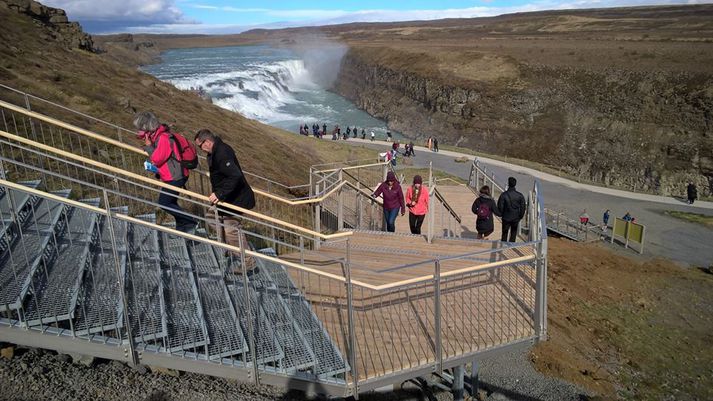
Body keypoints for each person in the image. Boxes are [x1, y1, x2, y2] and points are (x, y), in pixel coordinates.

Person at [194, 129, 256, 271]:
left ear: (208, 142)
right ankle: (230, 245)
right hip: (226, 198)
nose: (200, 149)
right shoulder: (215, 152)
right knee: (211, 217)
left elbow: (235, 176)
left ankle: (248, 261)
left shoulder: (222, 153)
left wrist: (219, 194)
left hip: (235, 199)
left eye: (200, 146)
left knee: (231, 231)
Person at [133, 111, 197, 234]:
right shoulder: (157, 136)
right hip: (172, 175)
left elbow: (157, 158)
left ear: (147, 129)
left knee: (164, 203)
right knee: (171, 202)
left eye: (140, 129)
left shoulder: (163, 138)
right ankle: (182, 229)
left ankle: (190, 222)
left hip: (175, 177)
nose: (138, 132)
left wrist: (149, 147)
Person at [497, 177, 526, 242]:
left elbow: (500, 206)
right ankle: (511, 247)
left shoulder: (503, 195)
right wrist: (520, 216)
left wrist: (501, 214)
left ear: (508, 184)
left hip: (506, 217)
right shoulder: (520, 195)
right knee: (513, 233)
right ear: (515, 184)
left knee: (504, 233)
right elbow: (523, 207)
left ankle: (502, 246)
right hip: (516, 217)